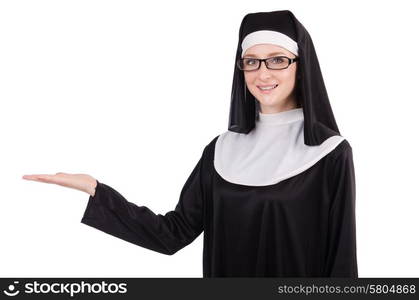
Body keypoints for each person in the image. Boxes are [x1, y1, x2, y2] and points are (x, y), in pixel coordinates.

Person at [22, 10, 358, 277]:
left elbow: (340, 262)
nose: (263, 73)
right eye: (251, 61)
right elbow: (173, 233)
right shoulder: (221, 150)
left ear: (301, 66)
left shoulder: (329, 153)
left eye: (277, 60)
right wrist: (97, 189)